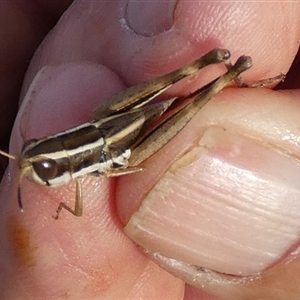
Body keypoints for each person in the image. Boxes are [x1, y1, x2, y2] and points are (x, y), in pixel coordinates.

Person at [0, 1, 300, 299]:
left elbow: (77, 209)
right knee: (104, 110)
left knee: (122, 124)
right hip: (107, 128)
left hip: (128, 144)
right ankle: (218, 72)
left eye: (43, 164)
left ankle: (222, 78)